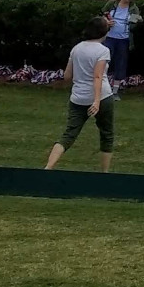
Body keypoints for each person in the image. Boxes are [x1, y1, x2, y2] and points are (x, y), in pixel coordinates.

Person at [45, 16, 116, 172]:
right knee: (107, 135)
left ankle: (48, 167)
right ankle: (105, 174)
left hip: (78, 97)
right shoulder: (103, 50)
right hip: (102, 97)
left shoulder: (77, 48)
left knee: (69, 134)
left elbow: (67, 75)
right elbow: (97, 76)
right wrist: (96, 101)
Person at [104, 0, 139, 92]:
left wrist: (136, 21)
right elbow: (102, 15)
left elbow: (133, 27)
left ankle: (115, 90)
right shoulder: (111, 4)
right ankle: (101, 86)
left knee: (121, 63)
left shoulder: (134, 9)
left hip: (124, 39)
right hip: (109, 37)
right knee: (104, 62)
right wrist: (107, 22)